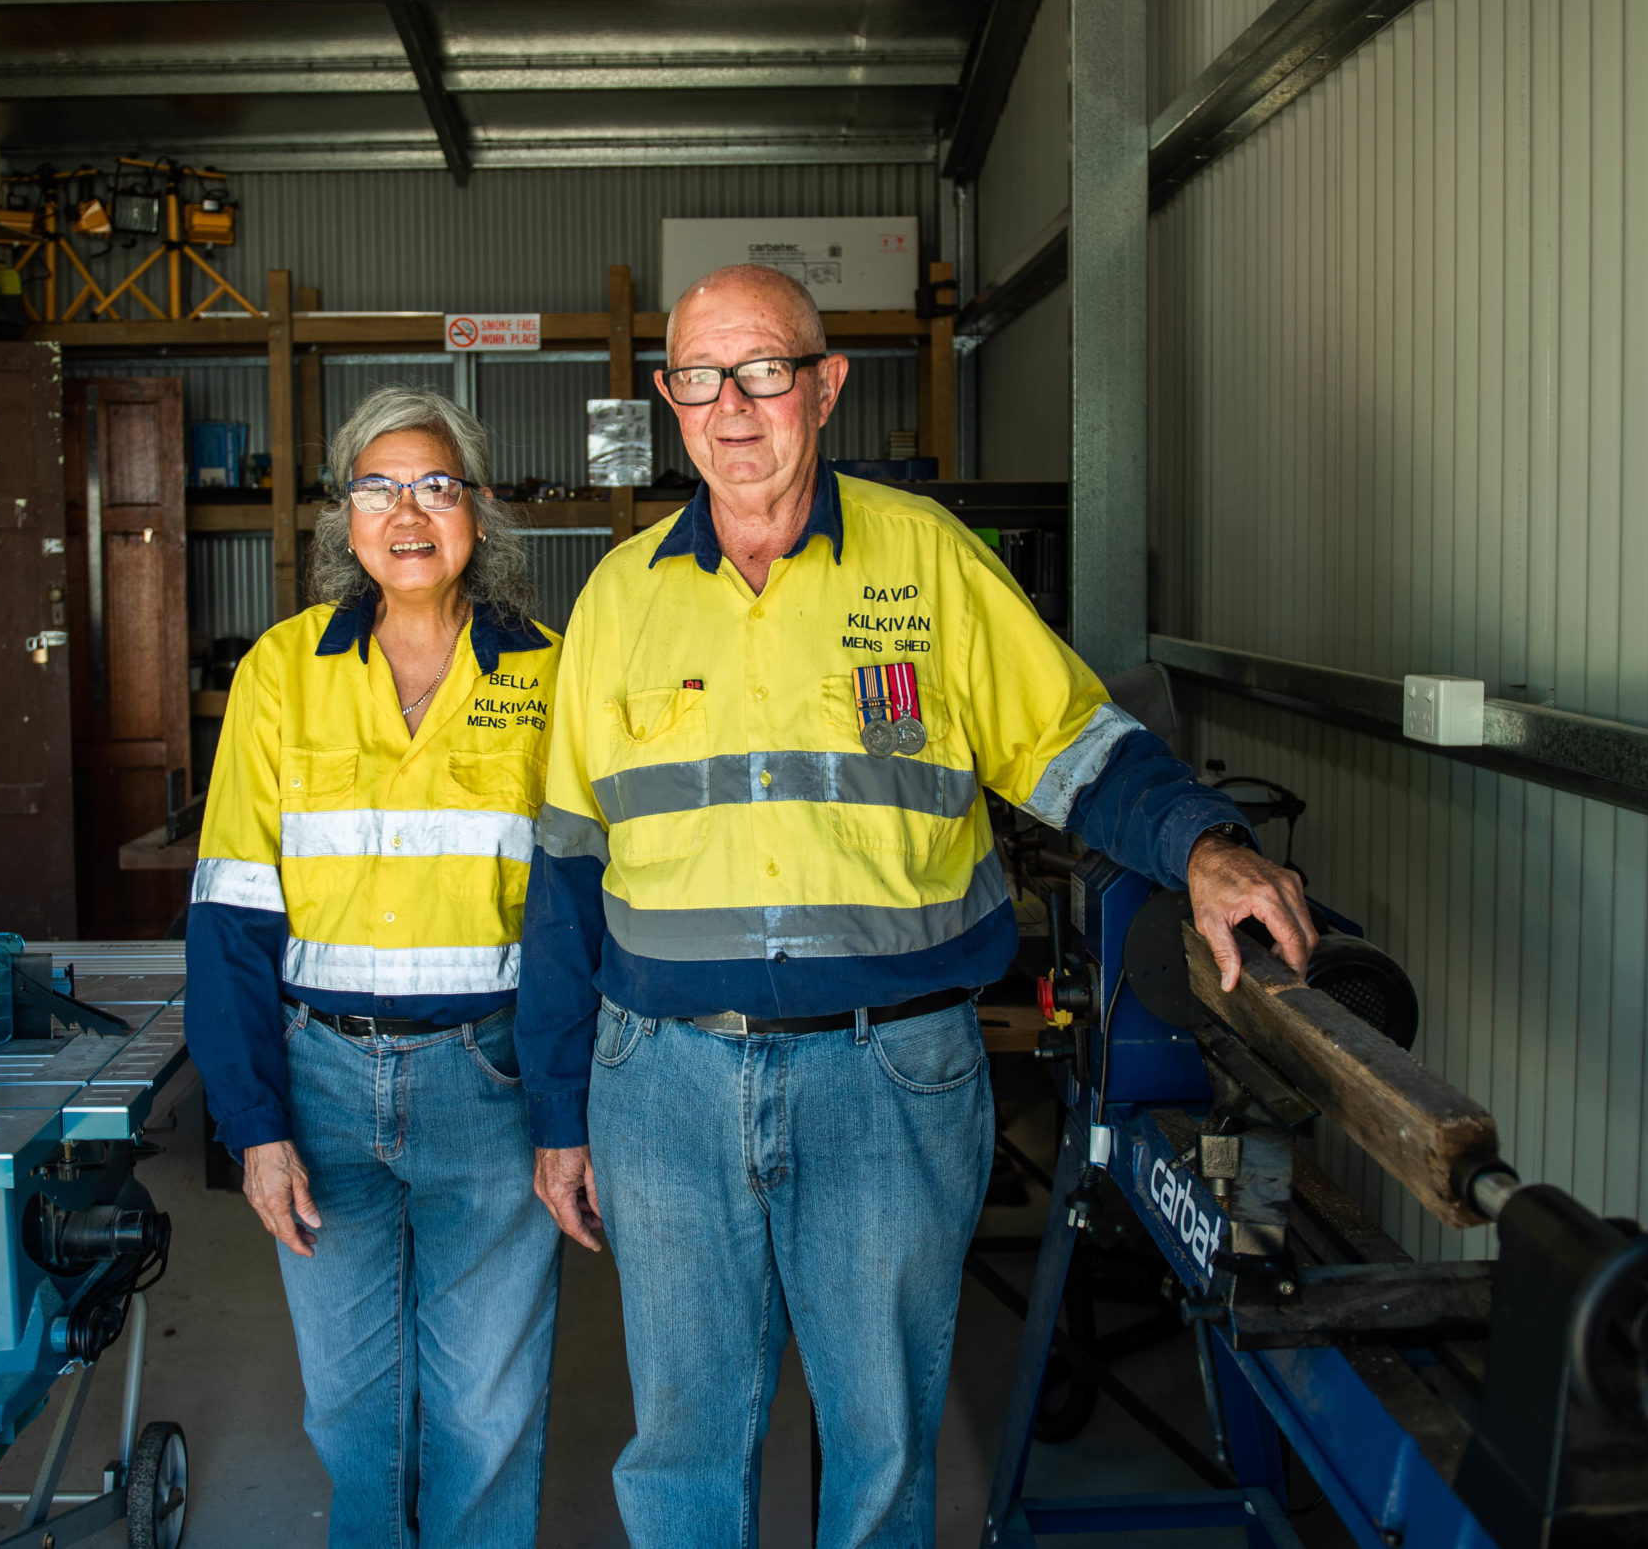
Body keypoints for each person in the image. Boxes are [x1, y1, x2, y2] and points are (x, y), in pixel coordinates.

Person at [516, 264, 1318, 1548]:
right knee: (680, 1442)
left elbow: (1075, 747)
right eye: (699, 378)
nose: (732, 407)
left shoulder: (927, 560)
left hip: (886, 1076)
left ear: (825, 386)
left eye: (764, 370)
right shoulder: (616, 596)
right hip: (658, 1083)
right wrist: (558, 1109)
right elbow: (564, 871)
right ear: (669, 399)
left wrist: (1205, 845)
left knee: (883, 1437)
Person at [184, 387, 564, 1549]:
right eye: (377, 485)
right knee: (350, 1406)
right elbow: (230, 912)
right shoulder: (281, 672)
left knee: (485, 1404)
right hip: (320, 1082)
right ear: (343, 518)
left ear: (479, 513)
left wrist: (568, 1109)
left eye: (436, 484)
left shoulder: (550, 674)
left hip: (491, 1083)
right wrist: (252, 1123)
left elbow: (574, 918)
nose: (408, 511)